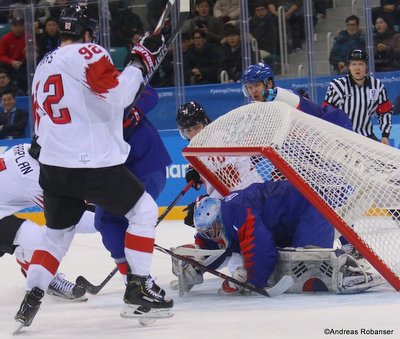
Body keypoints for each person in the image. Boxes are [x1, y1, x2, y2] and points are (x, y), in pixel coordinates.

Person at [15, 4, 173, 330]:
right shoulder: (88, 52)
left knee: (56, 238)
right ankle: (140, 285)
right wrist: (139, 62)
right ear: (87, 32)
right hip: (88, 163)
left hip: (53, 168)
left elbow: (49, 121)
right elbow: (120, 95)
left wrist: (136, 63)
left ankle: (32, 297)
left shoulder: (44, 66)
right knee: (142, 211)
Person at [191, 187, 383, 294]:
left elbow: (260, 244)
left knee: (306, 268)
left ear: (219, 220)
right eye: (208, 232)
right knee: (291, 268)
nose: (213, 235)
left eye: (213, 230)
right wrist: (196, 261)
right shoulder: (223, 214)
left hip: (311, 209)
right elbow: (213, 243)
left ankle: (346, 271)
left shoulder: (236, 211)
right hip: (295, 217)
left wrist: (253, 279)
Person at [95, 85, 172, 284]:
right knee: (105, 220)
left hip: (147, 165)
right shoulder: (79, 108)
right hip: (117, 172)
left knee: (128, 216)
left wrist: (134, 110)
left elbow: (149, 92)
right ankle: (133, 280)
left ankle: (140, 281)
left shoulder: (104, 81)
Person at [0, 142, 94, 301]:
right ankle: (48, 279)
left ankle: (31, 267)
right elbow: (68, 219)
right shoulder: (33, 181)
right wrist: (114, 220)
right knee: (35, 236)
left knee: (25, 233)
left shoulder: (27, 148)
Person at [323, 49, 393, 144]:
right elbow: (326, 113)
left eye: (360, 64)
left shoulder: (377, 85)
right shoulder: (337, 86)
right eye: (353, 64)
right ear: (349, 67)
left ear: (366, 66)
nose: (357, 68)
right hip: (343, 139)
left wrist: (385, 135)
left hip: (367, 137)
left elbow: (384, 112)